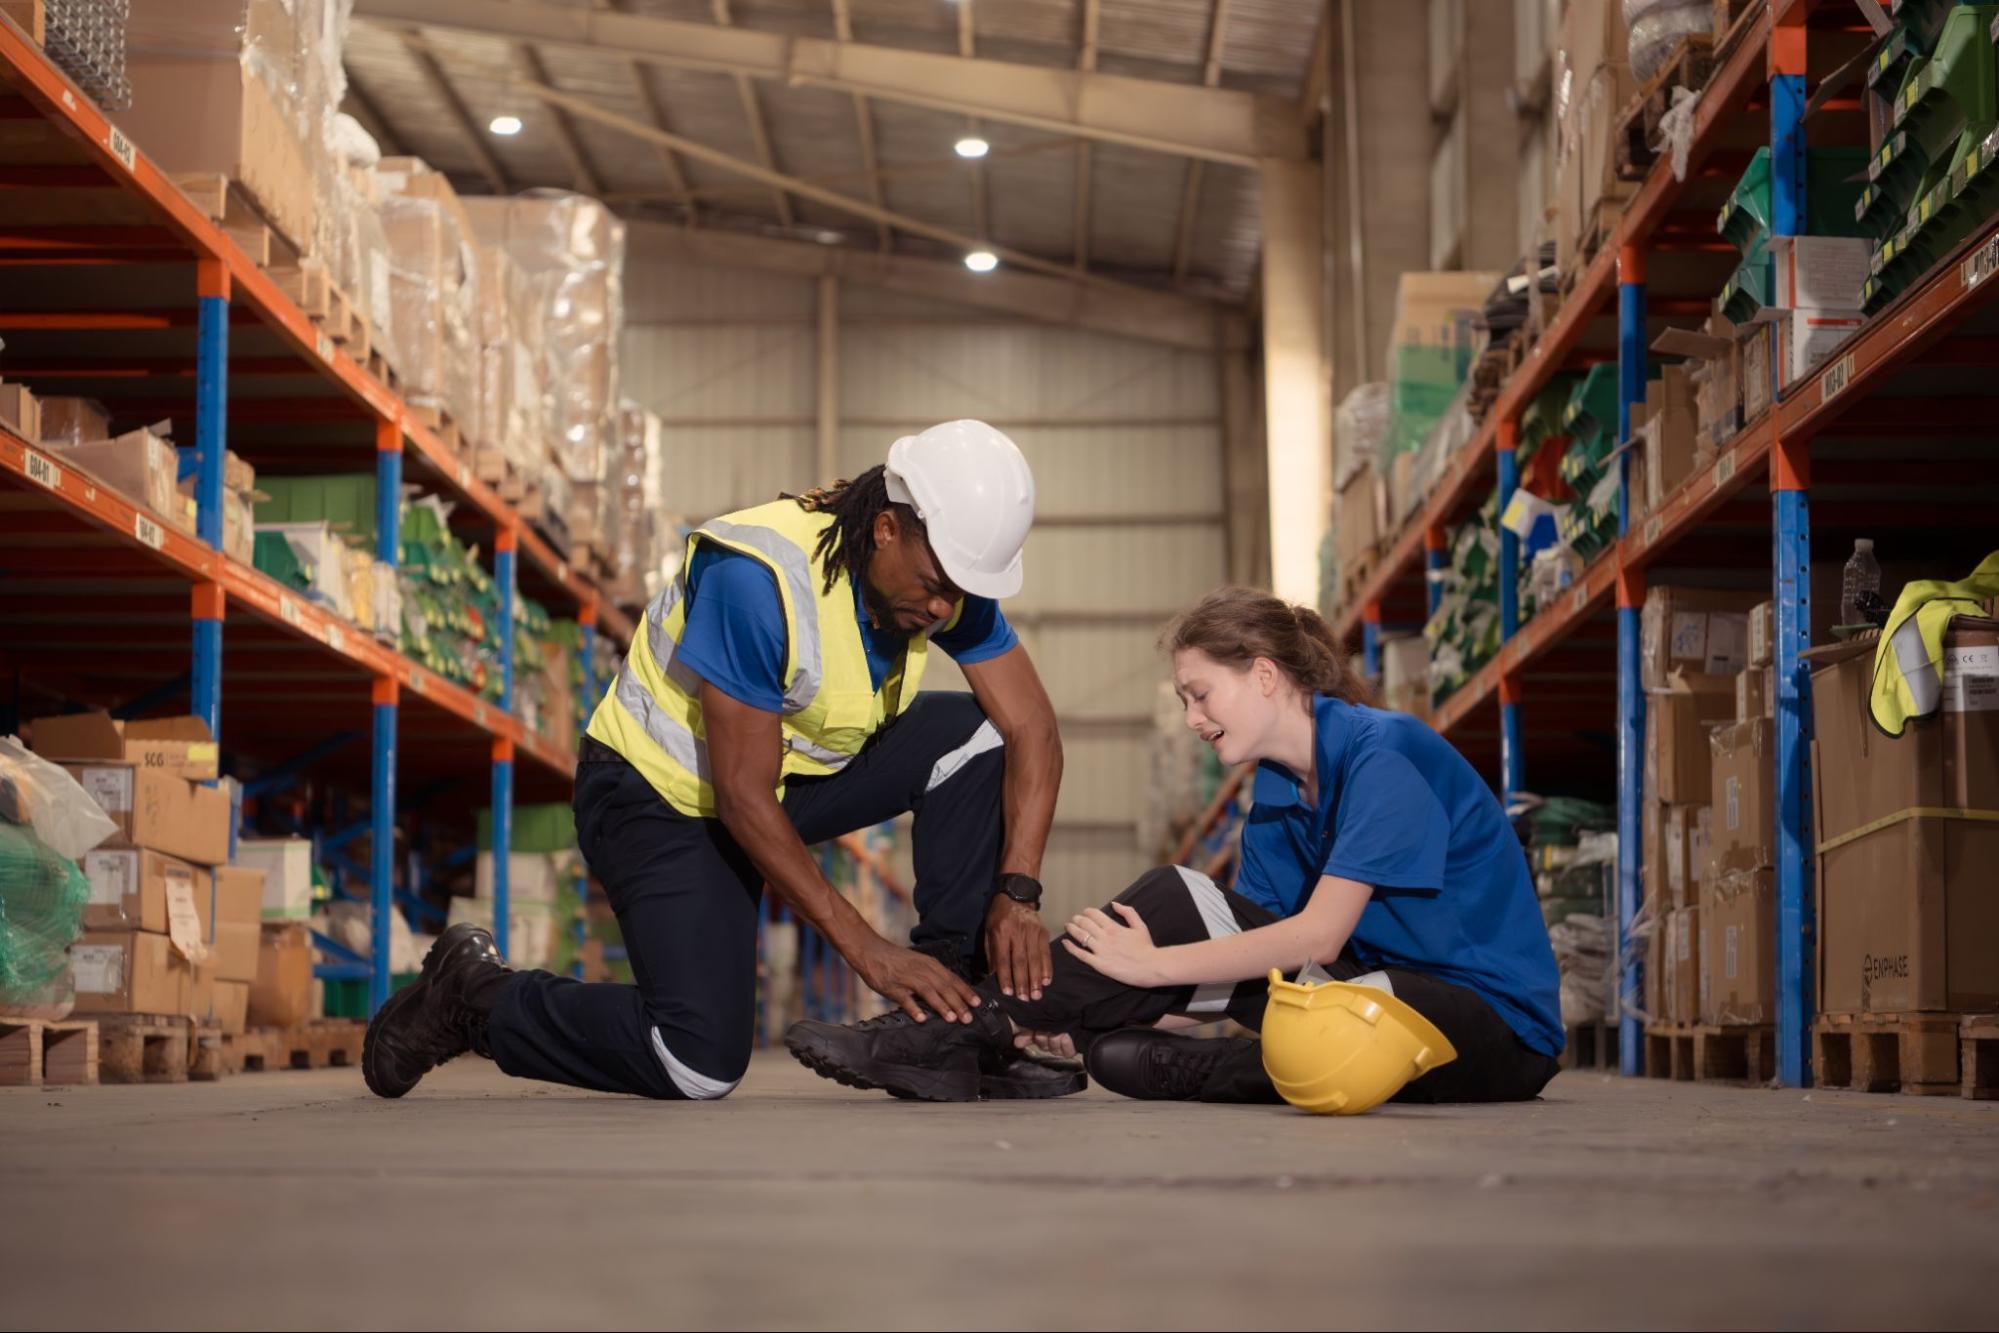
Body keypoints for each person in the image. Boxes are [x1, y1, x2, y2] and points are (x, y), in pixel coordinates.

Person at [363, 420, 1083, 1103]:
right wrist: (870, 949)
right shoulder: (758, 576)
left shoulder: (943, 585)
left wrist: (1017, 893)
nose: (943, 605)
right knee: (695, 1063)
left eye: (960, 589)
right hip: (657, 795)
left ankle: (948, 1026)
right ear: (886, 527)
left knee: (979, 735)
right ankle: (472, 995)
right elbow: (741, 795)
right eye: (934, 582)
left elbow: (1033, 729)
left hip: (786, 784)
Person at [784, 585, 1563, 1106]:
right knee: (1126, 1022)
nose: (1193, 717)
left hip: (1485, 1023)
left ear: (1263, 676)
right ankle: (984, 1031)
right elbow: (1256, 947)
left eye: (1200, 694)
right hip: (1360, 996)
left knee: (1329, 1001)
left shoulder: (1383, 755)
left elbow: (1317, 937)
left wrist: (1150, 969)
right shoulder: (1278, 791)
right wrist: (1090, 1007)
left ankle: (947, 1031)